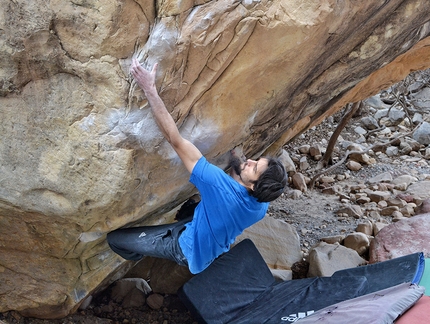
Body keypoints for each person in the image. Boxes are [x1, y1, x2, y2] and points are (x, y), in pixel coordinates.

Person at [107, 58, 287, 274]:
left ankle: (141, 254)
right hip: (211, 239)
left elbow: (175, 140)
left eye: (254, 168)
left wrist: (150, 89)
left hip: (186, 247)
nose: (250, 161)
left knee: (115, 239)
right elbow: (237, 179)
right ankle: (189, 214)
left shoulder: (217, 185)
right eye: (257, 161)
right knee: (196, 208)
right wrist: (239, 163)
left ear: (252, 187)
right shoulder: (261, 206)